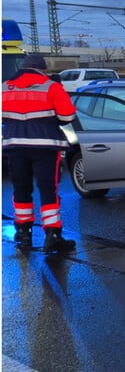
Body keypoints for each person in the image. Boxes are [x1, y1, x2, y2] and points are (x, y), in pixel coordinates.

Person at [2, 53, 77, 254]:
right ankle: (52, 236)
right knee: (48, 190)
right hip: (46, 148)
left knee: (21, 189)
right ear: (43, 69)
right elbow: (68, 115)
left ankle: (24, 235)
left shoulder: (5, 87)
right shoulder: (51, 87)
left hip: (15, 147)